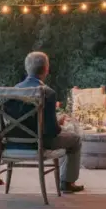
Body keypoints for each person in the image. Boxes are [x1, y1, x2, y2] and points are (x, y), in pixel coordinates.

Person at [9, 52, 84, 193]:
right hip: (40, 142)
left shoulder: (13, 90)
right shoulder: (47, 93)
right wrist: (59, 122)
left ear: (26, 69)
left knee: (67, 136)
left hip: (14, 142)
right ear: (46, 69)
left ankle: (65, 179)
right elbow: (52, 131)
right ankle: (67, 182)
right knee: (75, 139)